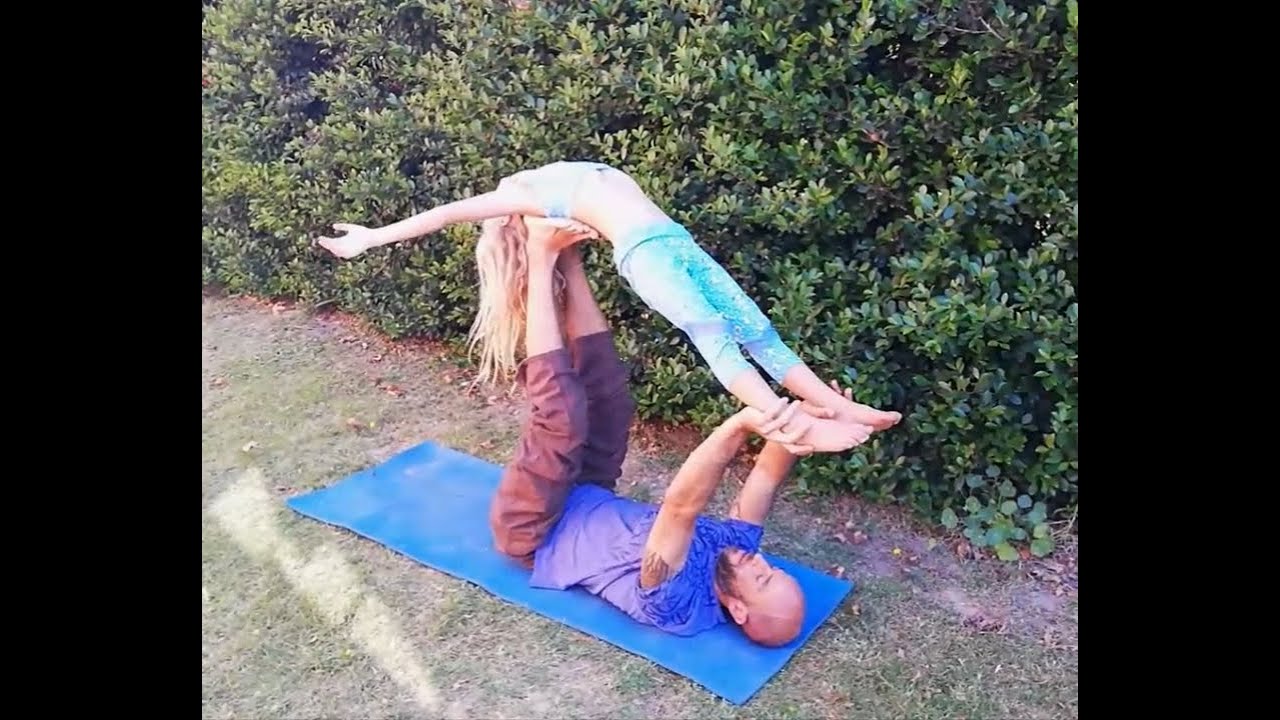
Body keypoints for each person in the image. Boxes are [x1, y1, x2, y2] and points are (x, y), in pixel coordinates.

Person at [316, 160, 902, 454]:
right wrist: (371, 237)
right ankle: (792, 424)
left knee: (757, 330)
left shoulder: (559, 177)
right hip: (647, 255)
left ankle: (841, 408)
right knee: (715, 335)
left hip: (679, 243)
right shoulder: (521, 195)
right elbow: (444, 213)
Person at [487, 217, 840, 646]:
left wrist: (740, 423)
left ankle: (542, 257)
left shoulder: (677, 604)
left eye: (764, 580)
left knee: (562, 414)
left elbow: (680, 508)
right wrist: (808, 418)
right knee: (612, 399)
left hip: (535, 527)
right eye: (775, 570)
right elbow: (766, 476)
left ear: (739, 609)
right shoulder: (736, 553)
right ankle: (570, 258)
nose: (763, 562)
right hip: (589, 491)